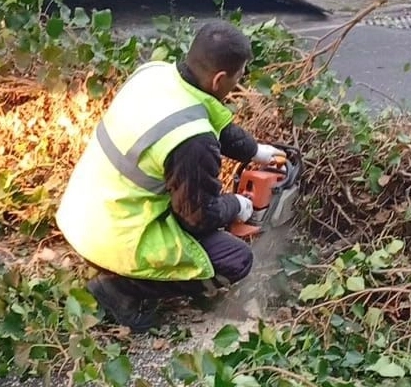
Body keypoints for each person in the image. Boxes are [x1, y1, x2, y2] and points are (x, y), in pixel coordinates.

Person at [55, 20, 286, 332]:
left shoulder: (155, 74)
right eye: (239, 76)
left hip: (80, 217)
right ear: (219, 79)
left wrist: (255, 151)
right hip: (114, 239)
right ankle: (119, 289)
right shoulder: (193, 141)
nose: (239, 81)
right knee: (236, 260)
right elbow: (199, 219)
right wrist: (238, 205)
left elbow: (207, 117)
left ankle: (126, 275)